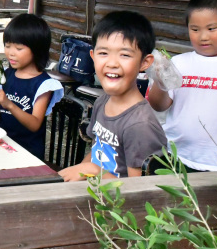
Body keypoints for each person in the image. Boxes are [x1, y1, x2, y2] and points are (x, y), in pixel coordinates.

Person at [59, 11, 167, 181]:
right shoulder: (102, 101)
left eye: (125, 55)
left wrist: (95, 171)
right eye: (103, 53)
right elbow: (95, 153)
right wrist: (79, 172)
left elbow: (139, 192)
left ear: (144, 62)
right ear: (93, 57)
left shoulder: (140, 125)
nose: (112, 63)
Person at [148, 0, 217, 172]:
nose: (203, 36)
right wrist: (160, 82)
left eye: (211, 28)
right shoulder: (178, 64)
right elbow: (158, 105)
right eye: (195, 29)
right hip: (176, 158)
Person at [0, 14, 63, 160]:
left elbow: (35, 124)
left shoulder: (44, 85)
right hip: (3, 146)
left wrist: (8, 104)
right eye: (7, 46)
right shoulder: (6, 75)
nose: (10, 53)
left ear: (37, 49)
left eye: (18, 48)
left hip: (27, 154)